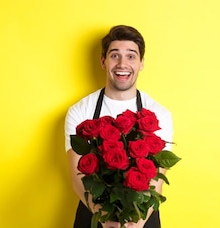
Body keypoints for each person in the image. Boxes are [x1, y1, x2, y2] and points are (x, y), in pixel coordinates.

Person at [64, 25, 174, 228]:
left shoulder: (160, 114)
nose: (122, 64)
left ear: (141, 63)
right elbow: (77, 176)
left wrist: (135, 222)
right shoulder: (80, 111)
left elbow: (157, 183)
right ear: (103, 61)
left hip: (143, 215)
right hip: (93, 213)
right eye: (115, 55)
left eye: (131, 56)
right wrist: (104, 218)